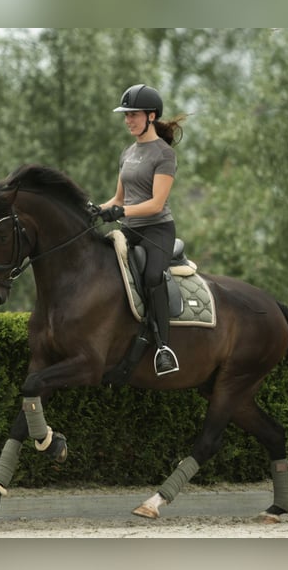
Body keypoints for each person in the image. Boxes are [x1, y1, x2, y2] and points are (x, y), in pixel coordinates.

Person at [98, 84, 185, 377]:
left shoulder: (164, 154)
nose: (127, 120)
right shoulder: (128, 153)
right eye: (126, 115)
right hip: (130, 228)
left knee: (151, 276)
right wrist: (97, 210)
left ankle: (163, 347)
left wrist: (120, 212)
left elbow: (155, 204)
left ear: (150, 116)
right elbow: (119, 199)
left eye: (133, 115)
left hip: (157, 230)